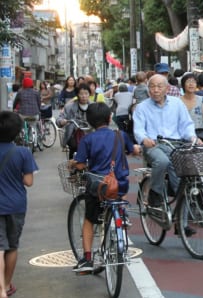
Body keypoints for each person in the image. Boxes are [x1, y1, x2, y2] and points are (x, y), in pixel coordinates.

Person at [69, 103, 139, 273]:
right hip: (119, 184)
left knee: (89, 219)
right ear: (109, 118)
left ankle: (87, 259)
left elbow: (79, 165)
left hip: (98, 187)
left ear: (89, 121)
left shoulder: (88, 139)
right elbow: (133, 151)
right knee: (117, 195)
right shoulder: (120, 135)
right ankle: (122, 215)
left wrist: (73, 163)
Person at [132, 74, 196, 207]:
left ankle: (182, 225)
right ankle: (155, 192)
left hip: (175, 145)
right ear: (148, 89)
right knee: (162, 161)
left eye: (159, 86)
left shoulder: (177, 103)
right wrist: (144, 139)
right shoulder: (142, 107)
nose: (155, 90)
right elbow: (138, 129)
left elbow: (186, 124)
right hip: (154, 145)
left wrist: (192, 136)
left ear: (166, 88)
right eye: (152, 87)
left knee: (181, 183)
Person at [0, 111, 37, 298]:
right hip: (16, 204)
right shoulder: (23, 152)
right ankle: (6, 285)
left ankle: (1, 291)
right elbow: (28, 182)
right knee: (12, 246)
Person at [57, 84, 93, 159]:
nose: (84, 96)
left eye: (86, 93)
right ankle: (72, 165)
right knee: (74, 146)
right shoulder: (69, 107)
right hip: (73, 133)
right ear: (77, 95)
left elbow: (101, 118)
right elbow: (59, 118)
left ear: (89, 94)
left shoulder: (94, 106)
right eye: (81, 94)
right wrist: (62, 121)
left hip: (90, 132)